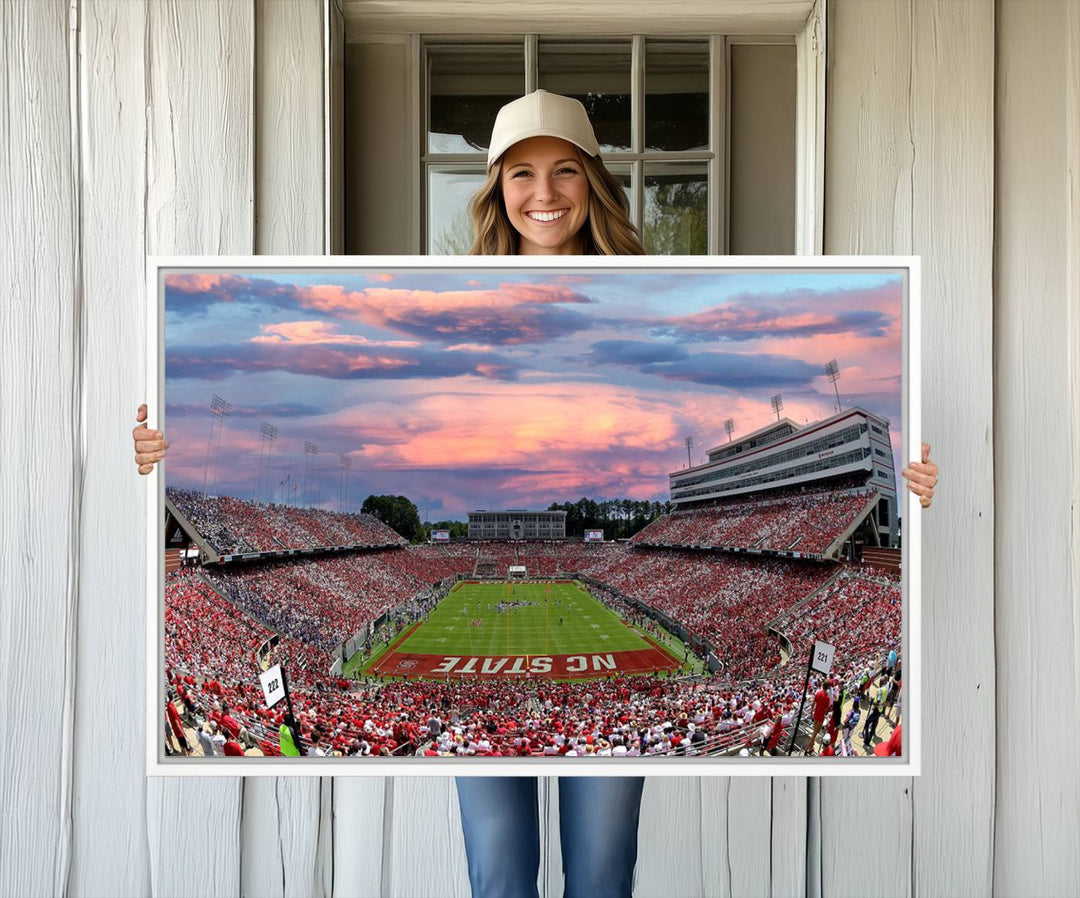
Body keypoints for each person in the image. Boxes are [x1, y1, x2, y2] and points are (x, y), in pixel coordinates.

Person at [132, 89, 940, 898]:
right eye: (521, 173)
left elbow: (793, 369)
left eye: (564, 171)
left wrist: (897, 476)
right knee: (500, 876)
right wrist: (158, 451)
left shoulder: (663, 297)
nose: (544, 193)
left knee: (600, 877)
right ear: (496, 188)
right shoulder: (441, 303)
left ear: (592, 181)